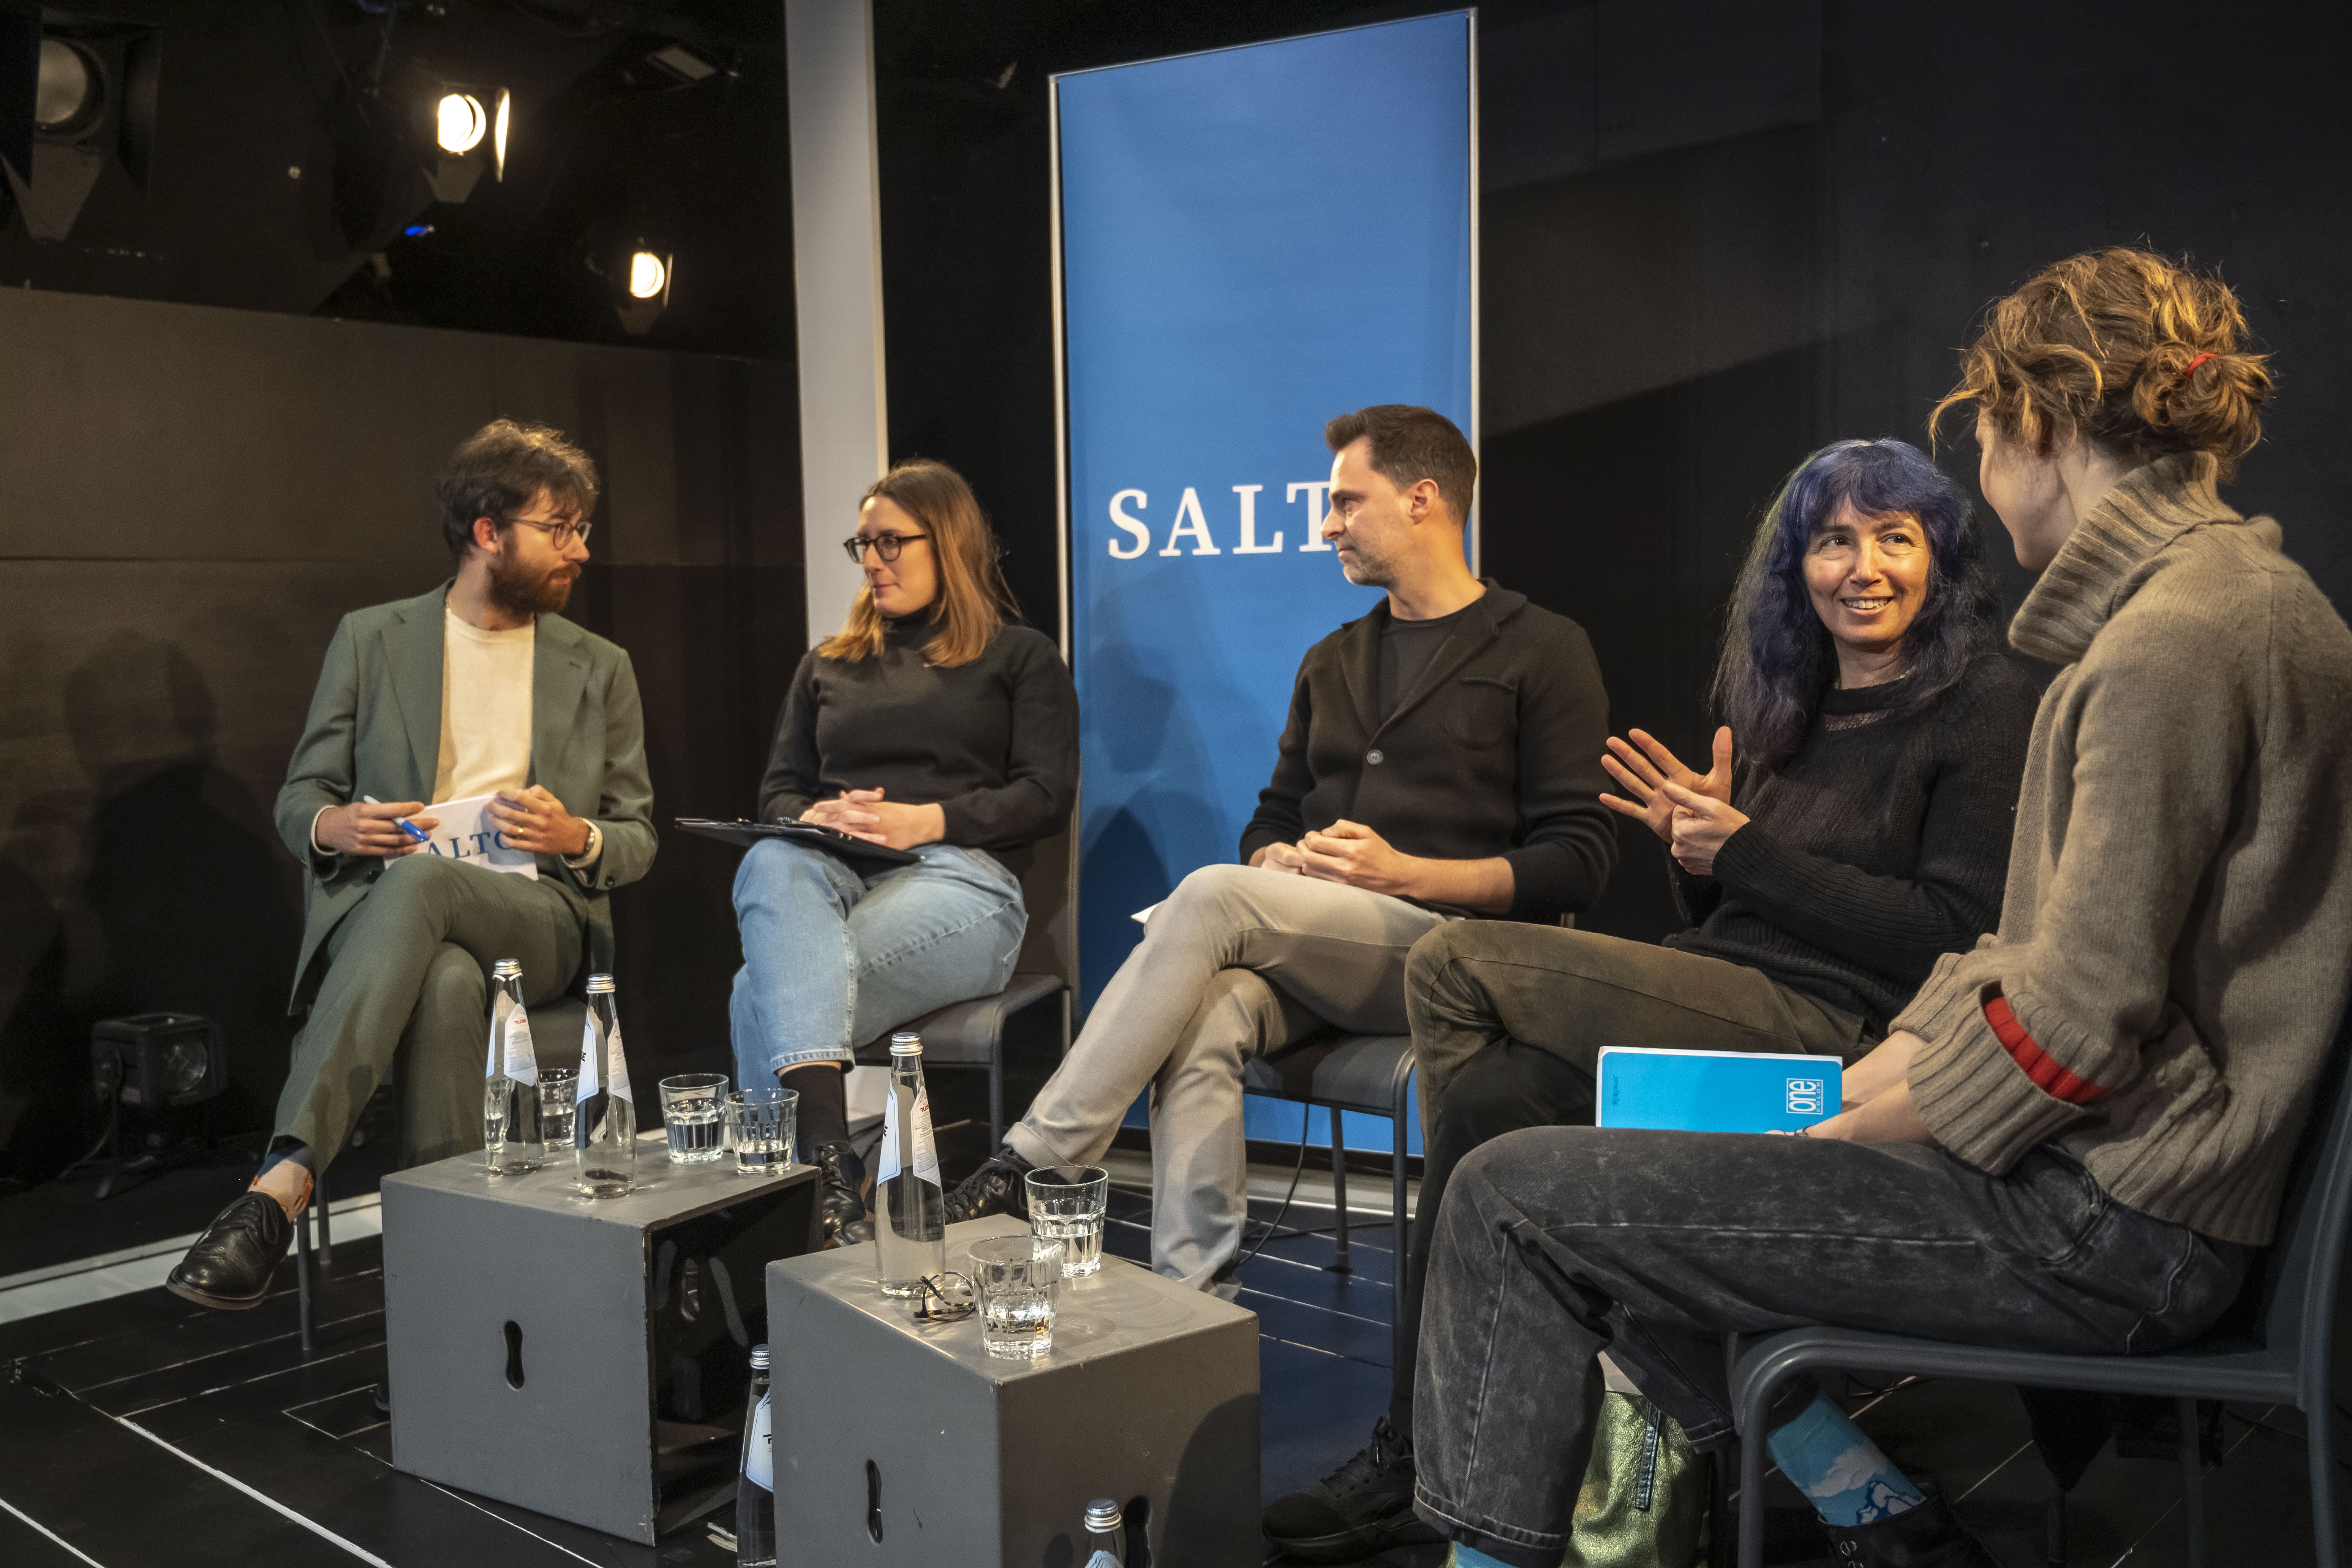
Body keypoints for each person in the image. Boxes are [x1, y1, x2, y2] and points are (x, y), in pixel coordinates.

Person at [1413, 247, 2352, 1568]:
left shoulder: (2172, 642)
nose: (1982, 478)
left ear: (2036, 424)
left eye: (1978, 446)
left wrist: (1846, 1121)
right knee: (1585, 1153)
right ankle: (1866, 1500)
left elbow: (2073, 1028)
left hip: (2105, 1225)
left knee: (1509, 1195)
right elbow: (2027, 961)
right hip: (2115, 1190)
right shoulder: (2224, 606)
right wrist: (1862, 1084)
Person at [1264, 437, 2040, 1560]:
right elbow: (1731, 919)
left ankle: (1420, 1449)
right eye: (1833, 541)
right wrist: (1698, 857)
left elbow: (1950, 936)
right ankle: (1818, 1468)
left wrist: (1748, 855)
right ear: (1797, 564)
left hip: (1858, 1041)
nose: (1863, 568)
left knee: (1455, 965)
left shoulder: (1986, 703)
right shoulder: (1790, 698)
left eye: (1895, 538)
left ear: (1942, 558)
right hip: (1736, 995)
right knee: (1498, 1117)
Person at [944, 404, 1618, 1292]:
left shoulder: (1544, 648)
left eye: (1345, 502)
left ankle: (1039, 1161)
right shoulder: (1332, 659)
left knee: (1213, 897)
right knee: (1207, 1014)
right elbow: (1271, 818)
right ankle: (1195, 1307)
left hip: (1462, 959)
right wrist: (1275, 861)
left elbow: (1579, 861)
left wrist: (1405, 873)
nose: (1327, 525)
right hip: (1333, 954)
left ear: (1422, 500)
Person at [168, 420, 657, 1309]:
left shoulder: (600, 667)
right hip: (405, 928)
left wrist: (574, 836)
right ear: (489, 532)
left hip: (538, 922)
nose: (581, 549)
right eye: (561, 528)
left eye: (582, 528)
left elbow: (637, 835)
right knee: (444, 982)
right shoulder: (373, 639)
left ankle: (280, 1181)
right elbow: (302, 796)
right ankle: (456, 1290)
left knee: (426, 883)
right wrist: (337, 826)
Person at [731, 458, 1078, 1247]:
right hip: (833, 873)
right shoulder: (827, 664)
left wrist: (928, 820)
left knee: (758, 992)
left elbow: (1046, 793)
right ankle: (829, 1170)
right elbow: (778, 793)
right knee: (770, 859)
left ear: (948, 541)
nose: (874, 560)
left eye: (892, 542)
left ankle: (788, 1216)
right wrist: (813, 814)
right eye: (864, 544)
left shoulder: (1019, 657)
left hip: (964, 882)